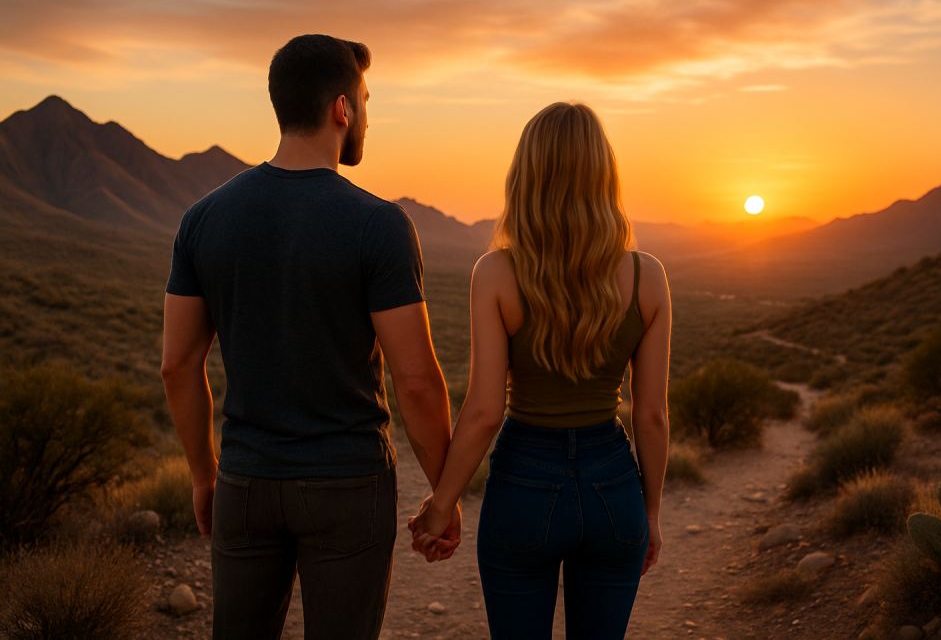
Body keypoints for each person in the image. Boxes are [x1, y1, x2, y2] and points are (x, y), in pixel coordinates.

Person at [161, 34, 460, 640]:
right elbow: (416, 382)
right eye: (366, 101)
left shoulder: (204, 218)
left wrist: (204, 476)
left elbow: (177, 365)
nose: (368, 117)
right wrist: (443, 495)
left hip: (246, 481)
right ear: (342, 109)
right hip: (348, 483)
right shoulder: (379, 224)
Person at [409, 102, 671, 639]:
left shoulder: (496, 272)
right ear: (605, 176)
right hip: (613, 485)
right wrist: (649, 515)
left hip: (523, 483)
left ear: (526, 176)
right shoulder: (648, 276)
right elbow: (651, 415)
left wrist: (441, 505)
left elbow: (484, 411)